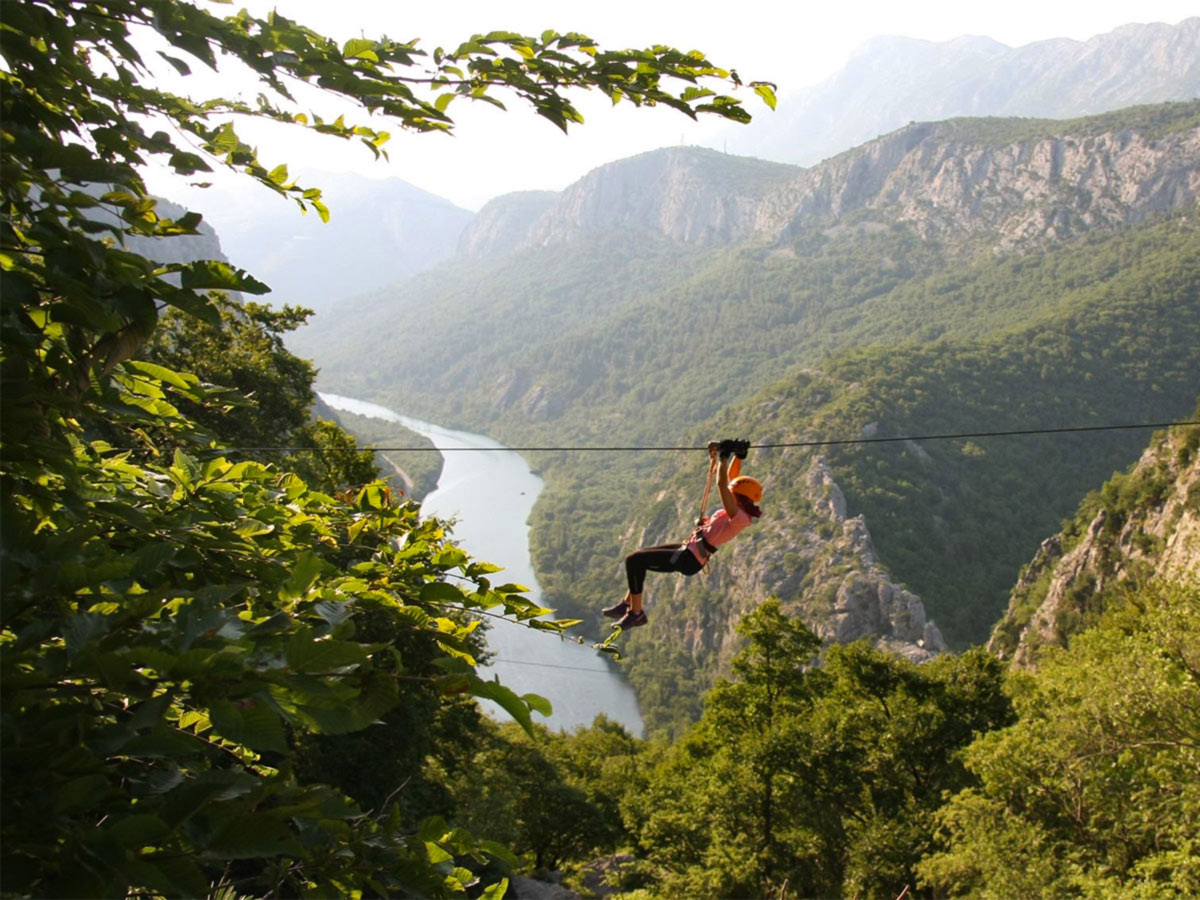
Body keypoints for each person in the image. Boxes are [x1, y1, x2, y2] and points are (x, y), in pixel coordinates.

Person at [602, 438, 762, 629]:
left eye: (734, 491)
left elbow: (722, 484)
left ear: (739, 496)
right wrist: (739, 456)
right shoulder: (738, 507)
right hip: (690, 549)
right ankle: (628, 603)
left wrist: (724, 457)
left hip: (690, 558)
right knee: (641, 556)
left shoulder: (740, 516)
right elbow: (731, 480)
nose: (730, 491)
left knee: (634, 560)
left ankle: (636, 613)